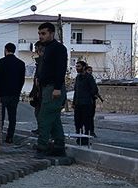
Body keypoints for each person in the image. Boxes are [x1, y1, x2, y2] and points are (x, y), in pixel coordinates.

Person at [35, 22, 68, 156]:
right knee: (54, 119)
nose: (40, 36)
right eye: (39, 33)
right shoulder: (47, 48)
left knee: (44, 118)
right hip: (46, 88)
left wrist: (57, 88)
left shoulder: (58, 48)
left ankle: (42, 147)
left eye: (43, 33)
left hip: (53, 88)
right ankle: (59, 147)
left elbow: (61, 68)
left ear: (52, 34)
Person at [0, 43, 26, 143]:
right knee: (12, 117)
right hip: (14, 93)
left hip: (2, 93)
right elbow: (22, 80)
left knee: (0, 117)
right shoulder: (21, 63)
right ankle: (10, 137)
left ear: (6, 50)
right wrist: (18, 90)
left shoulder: (1, 62)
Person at [73, 61, 98, 145]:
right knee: (78, 123)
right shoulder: (77, 77)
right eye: (76, 66)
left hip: (87, 104)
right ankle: (79, 138)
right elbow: (76, 91)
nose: (77, 68)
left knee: (87, 123)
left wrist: (87, 96)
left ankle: (86, 139)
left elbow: (94, 89)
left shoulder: (89, 77)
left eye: (79, 66)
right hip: (78, 104)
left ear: (83, 67)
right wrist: (74, 102)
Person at [28, 41, 44, 134]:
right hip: (38, 91)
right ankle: (40, 128)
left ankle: (43, 131)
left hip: (42, 91)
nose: (36, 50)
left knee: (41, 113)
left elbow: (39, 78)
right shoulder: (39, 61)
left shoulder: (43, 61)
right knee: (38, 112)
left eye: (36, 48)